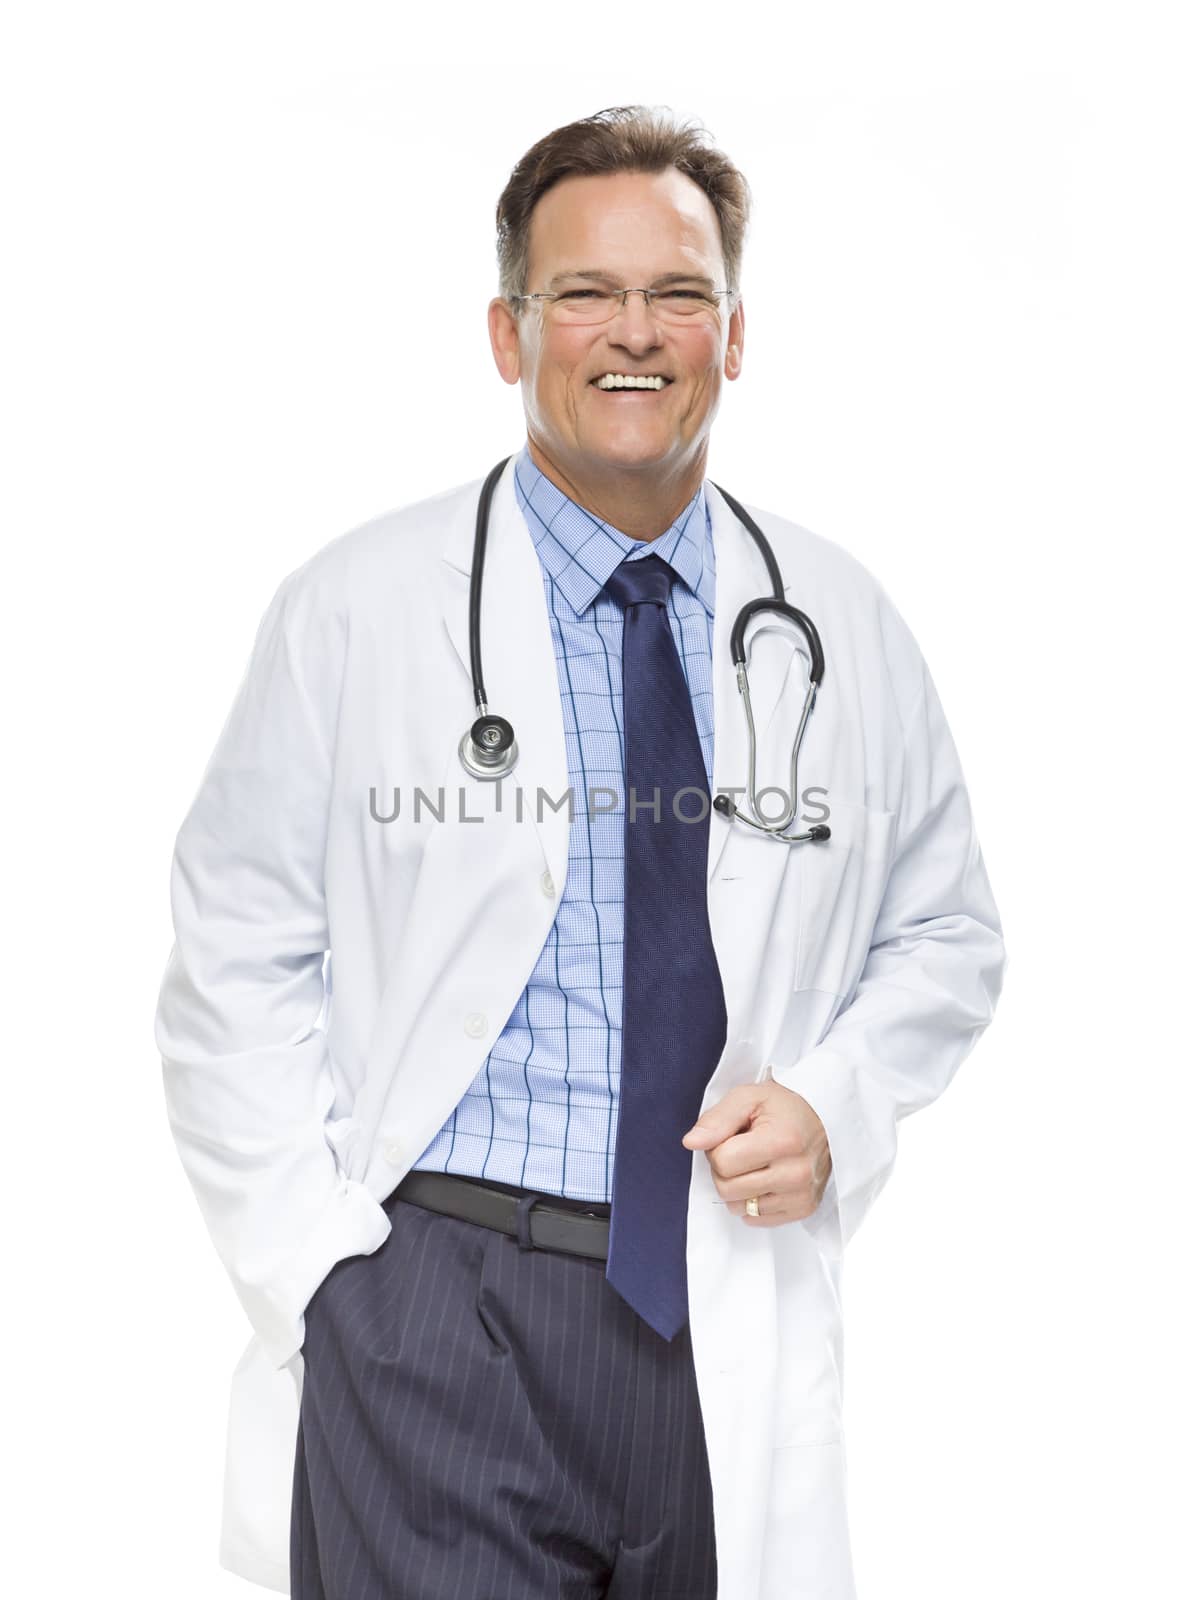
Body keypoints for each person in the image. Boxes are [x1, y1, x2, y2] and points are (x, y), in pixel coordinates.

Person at [154, 104, 1006, 1600]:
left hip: (710, 1303)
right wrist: (320, 1276)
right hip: (432, 1307)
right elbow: (234, 951)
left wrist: (835, 1100)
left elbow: (948, 935)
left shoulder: (842, 622)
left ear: (733, 337)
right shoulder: (357, 608)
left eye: (680, 294)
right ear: (509, 331)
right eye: (584, 295)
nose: (636, 333)